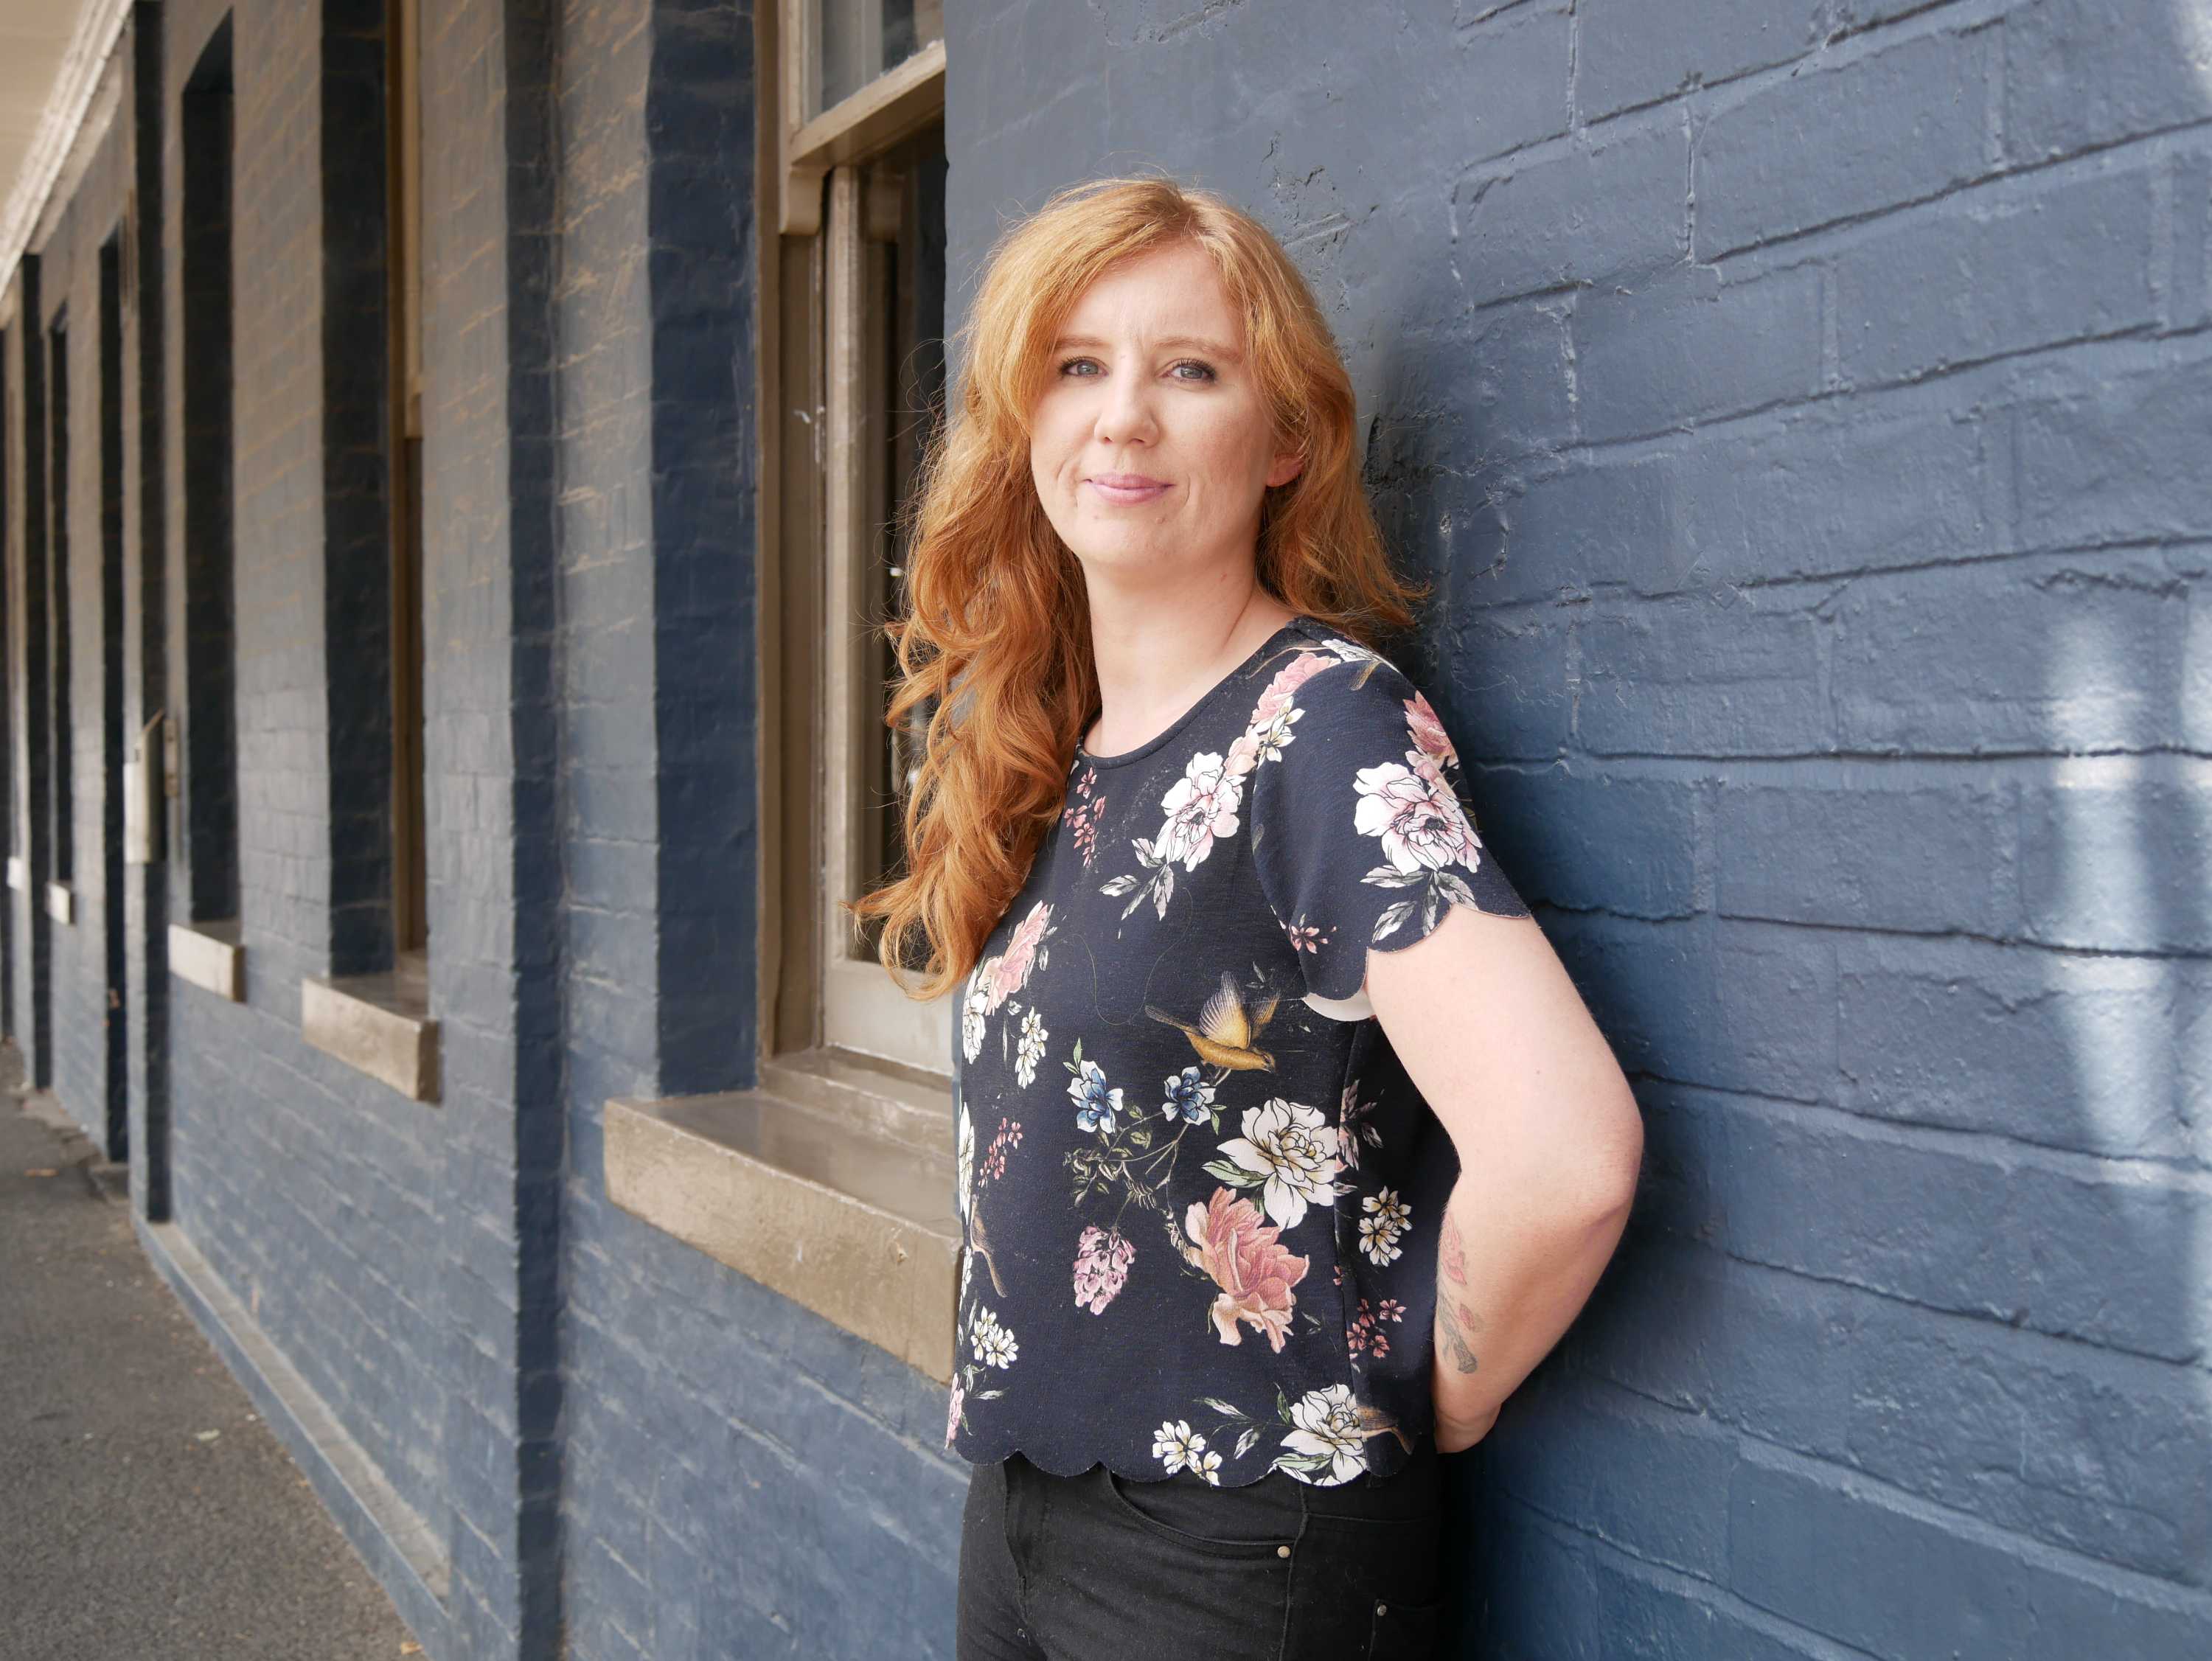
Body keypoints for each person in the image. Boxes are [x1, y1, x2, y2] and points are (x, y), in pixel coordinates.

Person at [848, 175, 1645, 1661]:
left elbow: (1570, 1156)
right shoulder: (1060, 752)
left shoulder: (1319, 729)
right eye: (1077, 365)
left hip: (1234, 1551)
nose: (1124, 414)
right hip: (1025, 1507)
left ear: (1283, 441)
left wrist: (1414, 1382)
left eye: (1190, 370)